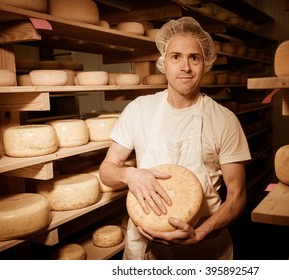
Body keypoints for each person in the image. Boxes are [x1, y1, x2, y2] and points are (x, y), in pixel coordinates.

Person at [99, 17, 251, 260]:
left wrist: (200, 233)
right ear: (163, 62)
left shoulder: (224, 119)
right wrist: (128, 174)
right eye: (176, 56)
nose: (185, 67)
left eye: (195, 57)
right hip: (146, 250)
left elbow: (237, 195)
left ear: (205, 64)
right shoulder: (139, 109)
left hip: (204, 247)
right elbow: (107, 170)